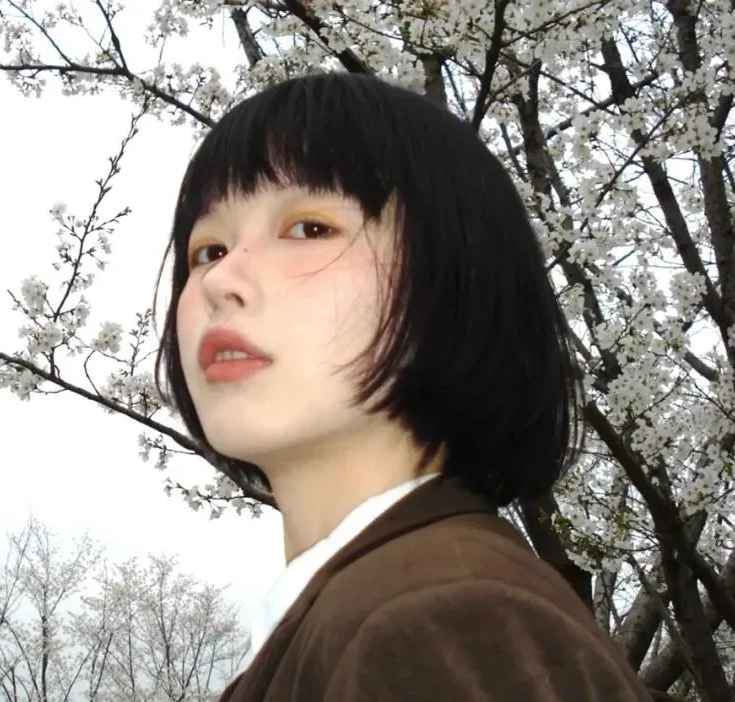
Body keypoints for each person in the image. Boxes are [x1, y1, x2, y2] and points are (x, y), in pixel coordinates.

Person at [155, 72, 652, 701]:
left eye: (309, 228)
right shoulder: (357, 617)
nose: (220, 280)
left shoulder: (450, 622)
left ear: (456, 283)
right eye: (207, 249)